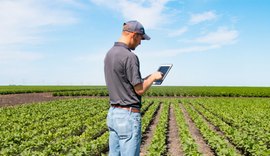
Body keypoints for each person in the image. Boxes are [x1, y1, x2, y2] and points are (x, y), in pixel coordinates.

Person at [104, 20, 163, 156]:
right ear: (134, 35)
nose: (140, 42)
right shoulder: (130, 56)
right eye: (140, 38)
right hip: (127, 116)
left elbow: (125, 82)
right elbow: (140, 90)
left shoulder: (109, 54)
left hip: (113, 114)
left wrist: (147, 78)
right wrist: (153, 77)